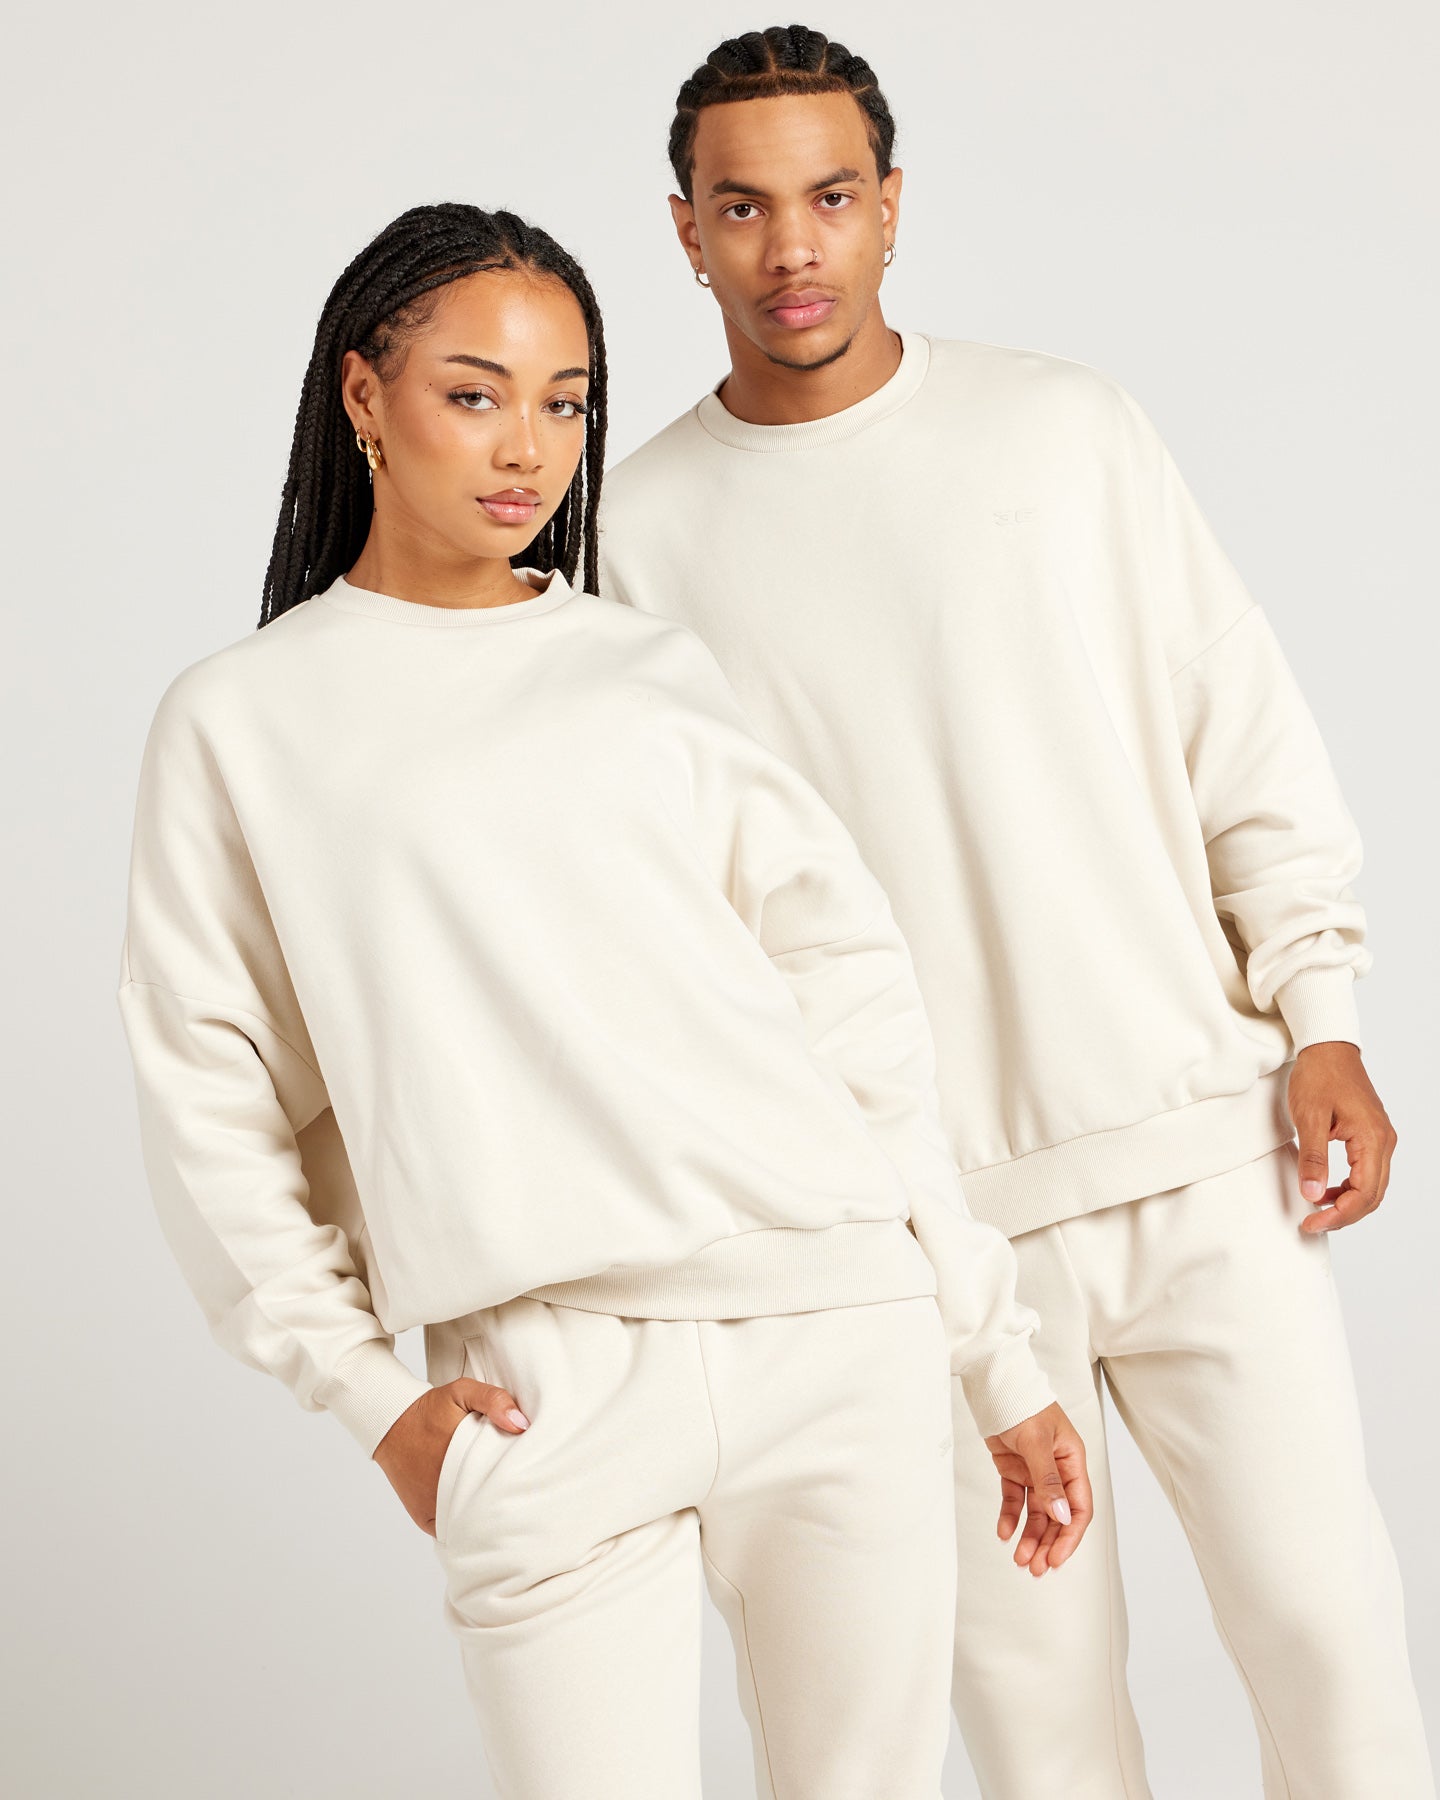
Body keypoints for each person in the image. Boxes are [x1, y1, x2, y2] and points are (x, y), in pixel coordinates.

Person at [114, 201, 1092, 1800]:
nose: (530, 448)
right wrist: (372, 1399)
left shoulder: (650, 672)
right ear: (364, 395)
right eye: (474, 392)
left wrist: (996, 1356)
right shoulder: (244, 720)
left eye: (566, 402)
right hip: (542, 1388)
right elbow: (208, 1100)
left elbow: (856, 1017)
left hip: (830, 1329)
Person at [595, 25, 1435, 1800]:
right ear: (685, 231)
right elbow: (668, 921)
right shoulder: (639, 536)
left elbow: (1236, 731)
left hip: (1208, 1160)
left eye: (832, 196)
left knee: (1335, 1653)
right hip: (933, 1254)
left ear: (893, 205)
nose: (793, 246)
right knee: (1042, 1737)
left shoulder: (1066, 431)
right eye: (743, 207)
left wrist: (1325, 1011)